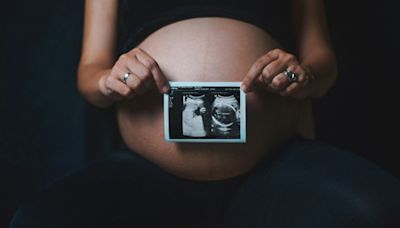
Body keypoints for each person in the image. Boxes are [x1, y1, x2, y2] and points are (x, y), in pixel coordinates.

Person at [9, 0, 400, 227]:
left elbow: (324, 63)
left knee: (377, 210)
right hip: (147, 172)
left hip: (275, 163)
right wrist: (111, 80)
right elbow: (88, 74)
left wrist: (305, 74)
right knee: (38, 220)